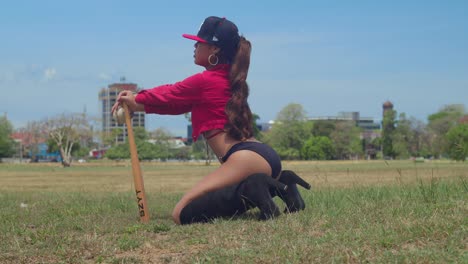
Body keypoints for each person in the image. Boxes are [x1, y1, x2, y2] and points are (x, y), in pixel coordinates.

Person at [112, 16, 310, 224]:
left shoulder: (205, 81)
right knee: (208, 202)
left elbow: (170, 93)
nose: (195, 46)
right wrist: (136, 104)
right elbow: (175, 104)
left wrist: (136, 98)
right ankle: (282, 182)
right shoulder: (227, 79)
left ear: (214, 49)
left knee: (181, 214)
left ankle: (256, 186)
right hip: (263, 155)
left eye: (199, 42)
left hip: (245, 159)